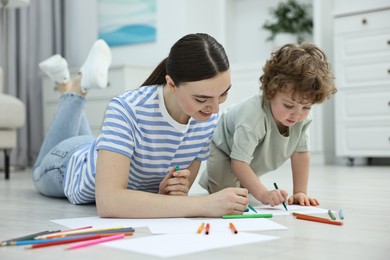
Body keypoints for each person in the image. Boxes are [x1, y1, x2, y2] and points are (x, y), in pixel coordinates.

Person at [33, 34, 249, 218]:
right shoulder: (127, 108)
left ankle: (67, 85)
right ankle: (74, 88)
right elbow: (109, 202)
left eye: (223, 94)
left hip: (101, 151)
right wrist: (206, 204)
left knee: (97, 146)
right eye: (202, 99)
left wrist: (169, 191)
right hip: (68, 165)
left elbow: (175, 198)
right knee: (37, 170)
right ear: (172, 84)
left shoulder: (206, 119)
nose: (215, 109)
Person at [199, 43, 337, 208]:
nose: (297, 114)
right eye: (288, 105)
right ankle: (211, 177)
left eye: (306, 107)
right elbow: (238, 163)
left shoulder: (301, 118)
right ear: (270, 92)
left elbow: (301, 154)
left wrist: (300, 192)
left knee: (244, 186)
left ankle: (243, 180)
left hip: (252, 157)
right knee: (225, 194)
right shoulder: (253, 116)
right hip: (225, 149)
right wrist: (263, 194)